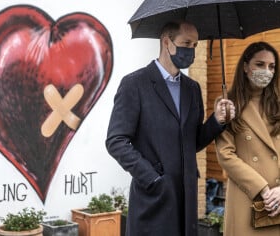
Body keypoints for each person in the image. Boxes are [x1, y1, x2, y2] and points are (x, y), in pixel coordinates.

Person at [106, 21, 235, 236]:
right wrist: (152, 178)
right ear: (167, 42)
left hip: (186, 197)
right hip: (153, 198)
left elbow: (192, 141)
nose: (191, 50)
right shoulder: (135, 84)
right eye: (186, 43)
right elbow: (116, 141)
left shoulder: (192, 88)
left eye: (195, 45)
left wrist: (216, 121)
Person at [215, 41, 280, 236]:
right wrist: (263, 188)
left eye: (271, 66)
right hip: (248, 199)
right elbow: (225, 155)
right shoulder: (227, 104)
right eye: (259, 65)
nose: (266, 71)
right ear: (245, 67)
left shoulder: (277, 104)